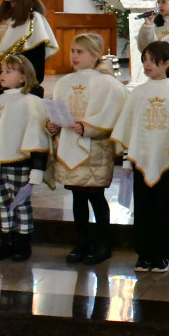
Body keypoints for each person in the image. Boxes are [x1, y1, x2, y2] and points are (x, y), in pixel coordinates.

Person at [48, 34, 128, 265]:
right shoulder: (64, 82)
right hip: (70, 145)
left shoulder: (108, 84)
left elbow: (113, 112)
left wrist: (87, 126)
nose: (74, 56)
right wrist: (52, 123)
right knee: (77, 196)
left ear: (95, 55)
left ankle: (103, 243)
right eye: (72, 50)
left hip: (94, 148)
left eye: (80, 52)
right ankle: (81, 242)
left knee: (95, 196)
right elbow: (55, 109)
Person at [111, 41, 169, 274]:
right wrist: (127, 159)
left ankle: (164, 254)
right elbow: (130, 129)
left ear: (166, 63)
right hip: (141, 161)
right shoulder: (137, 93)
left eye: (152, 61)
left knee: (165, 210)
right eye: (145, 59)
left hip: (168, 165)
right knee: (143, 210)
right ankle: (144, 254)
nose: (147, 65)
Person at [0, 55, 51, 262]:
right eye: (2, 71)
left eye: (8, 71)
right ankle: (7, 238)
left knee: (20, 202)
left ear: (23, 78)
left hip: (20, 163)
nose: (2, 75)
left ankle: (23, 240)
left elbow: (37, 136)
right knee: (3, 203)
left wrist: (37, 168)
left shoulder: (32, 103)